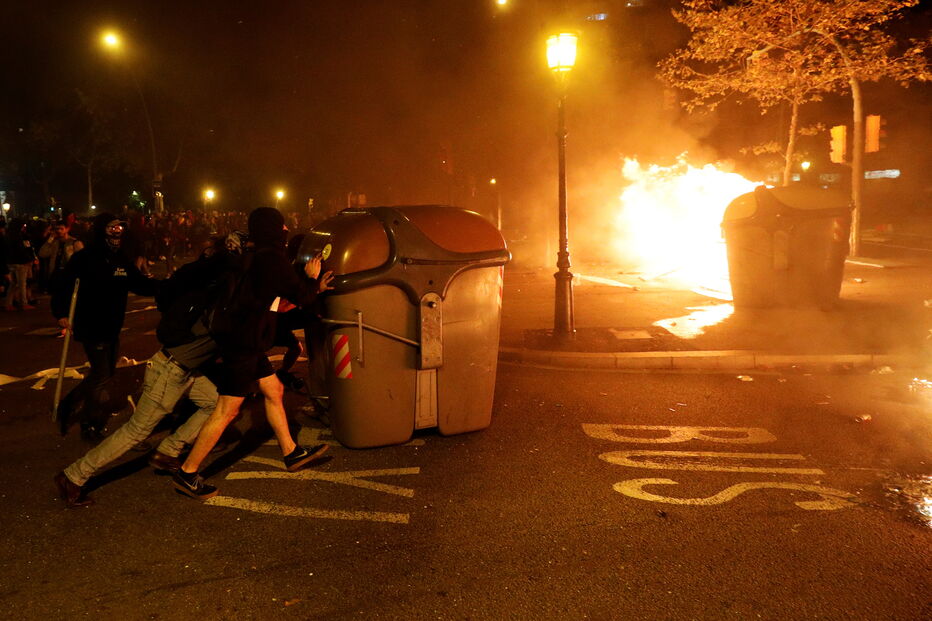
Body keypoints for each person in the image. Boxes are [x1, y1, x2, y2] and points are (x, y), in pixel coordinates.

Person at [53, 238, 241, 508]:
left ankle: (168, 451)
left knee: (216, 405)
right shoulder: (216, 295)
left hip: (185, 370)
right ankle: (73, 476)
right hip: (172, 369)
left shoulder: (212, 288)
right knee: (136, 430)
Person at [172, 207, 333, 499]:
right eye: (282, 226)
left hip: (242, 337)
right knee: (227, 410)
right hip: (244, 343)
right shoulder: (272, 259)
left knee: (273, 390)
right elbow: (302, 296)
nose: (285, 231)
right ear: (275, 229)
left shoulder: (252, 255)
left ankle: (291, 451)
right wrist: (314, 279)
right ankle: (187, 472)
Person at [52, 212, 159, 442]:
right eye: (112, 227)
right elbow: (63, 285)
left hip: (112, 324)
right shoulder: (85, 257)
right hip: (91, 323)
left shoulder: (121, 258)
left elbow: (139, 283)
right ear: (102, 230)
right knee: (101, 375)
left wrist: (168, 287)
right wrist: (60, 312)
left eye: (120, 227)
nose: (117, 231)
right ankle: (91, 423)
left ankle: (69, 404)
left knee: (106, 373)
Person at [5, 219, 37, 310]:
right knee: (22, 284)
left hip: (10, 262)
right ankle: (24, 303)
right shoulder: (18, 236)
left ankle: (8, 303)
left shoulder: (7, 236)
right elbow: (21, 250)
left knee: (13, 284)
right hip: (20, 263)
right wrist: (29, 259)